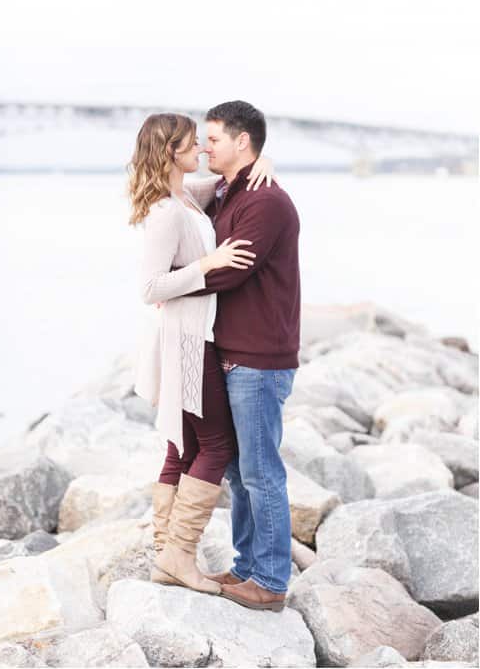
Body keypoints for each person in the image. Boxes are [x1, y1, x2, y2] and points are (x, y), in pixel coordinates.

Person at [130, 113, 274, 594]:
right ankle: (179, 556)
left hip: (190, 335)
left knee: (181, 444)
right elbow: (150, 286)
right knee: (216, 446)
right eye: (195, 144)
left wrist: (263, 160)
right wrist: (207, 264)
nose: (204, 151)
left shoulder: (185, 196)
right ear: (172, 152)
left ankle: (161, 554)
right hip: (190, 341)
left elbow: (229, 177)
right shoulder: (167, 212)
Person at [187, 100, 302, 612]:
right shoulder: (231, 191)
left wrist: (169, 286)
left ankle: (272, 582)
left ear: (242, 141)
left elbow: (231, 271)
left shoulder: (266, 202)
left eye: (212, 140)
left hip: (259, 359)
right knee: (238, 471)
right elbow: (164, 192)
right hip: (235, 353)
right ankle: (246, 566)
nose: (203, 147)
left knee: (260, 471)